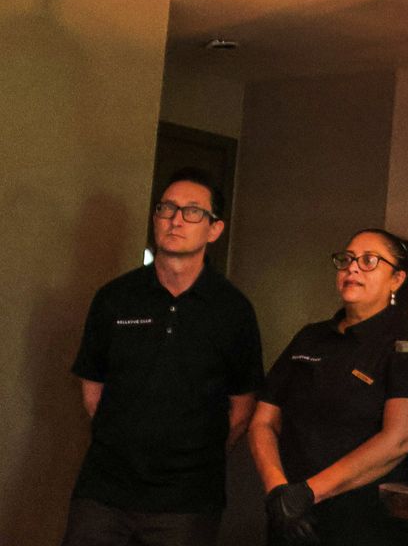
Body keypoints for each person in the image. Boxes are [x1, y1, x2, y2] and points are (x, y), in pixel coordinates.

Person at [63, 167, 265, 546]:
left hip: (187, 500)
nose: (176, 220)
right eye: (167, 208)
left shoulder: (233, 310)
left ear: (214, 229)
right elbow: (93, 390)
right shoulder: (114, 297)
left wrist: (192, 453)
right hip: (104, 491)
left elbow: (242, 407)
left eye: (192, 211)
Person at [249, 228, 408, 546]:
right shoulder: (310, 337)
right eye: (347, 259)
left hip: (367, 526)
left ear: (397, 279)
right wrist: (279, 493)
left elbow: (398, 439)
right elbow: (263, 421)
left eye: (369, 260)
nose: (353, 267)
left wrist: (308, 493)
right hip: (293, 521)